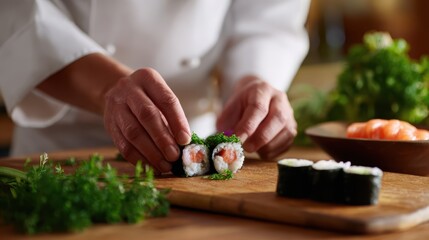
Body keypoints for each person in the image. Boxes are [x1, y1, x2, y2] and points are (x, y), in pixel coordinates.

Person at [0, 0, 310, 174]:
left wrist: (254, 78)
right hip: (58, 154)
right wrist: (107, 87)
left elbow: (268, 19)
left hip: (193, 146)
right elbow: (17, 12)